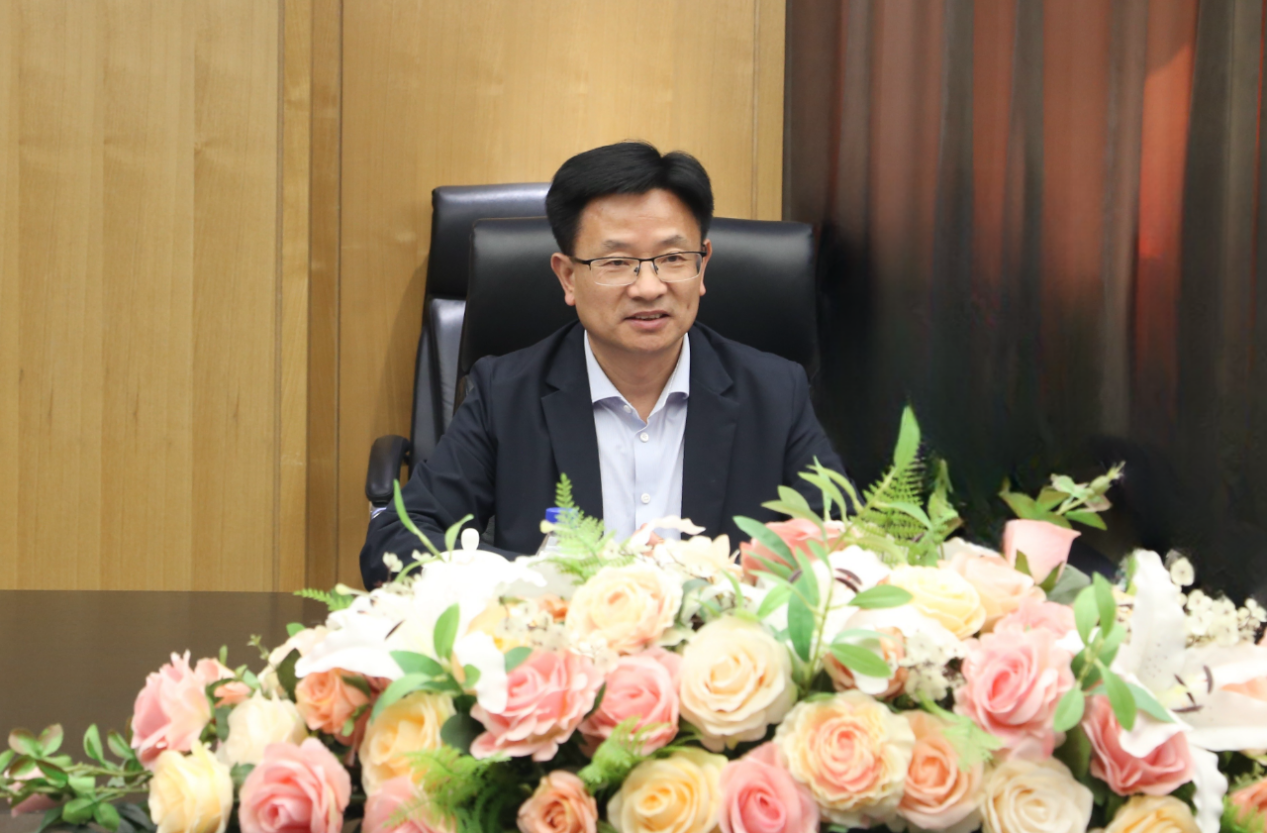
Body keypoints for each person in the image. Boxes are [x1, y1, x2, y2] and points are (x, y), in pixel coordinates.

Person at [360, 142, 845, 586]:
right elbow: (397, 542)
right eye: (616, 263)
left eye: (673, 258)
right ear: (567, 277)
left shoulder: (774, 392)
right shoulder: (504, 394)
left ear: (703, 266)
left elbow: (845, 547)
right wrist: (542, 585)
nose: (649, 287)